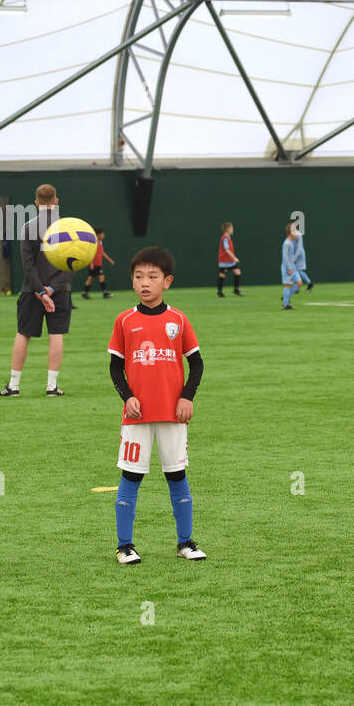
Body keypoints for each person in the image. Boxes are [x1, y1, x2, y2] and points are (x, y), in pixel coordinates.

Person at [109, 247, 206, 565]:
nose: (144, 283)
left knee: (177, 476)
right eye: (138, 277)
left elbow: (197, 364)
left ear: (167, 281)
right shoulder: (125, 320)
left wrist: (186, 397)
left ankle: (185, 542)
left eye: (152, 277)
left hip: (172, 415)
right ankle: (125, 545)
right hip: (137, 417)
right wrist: (128, 397)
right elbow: (115, 367)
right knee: (131, 477)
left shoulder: (178, 319)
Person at [1, 184, 72, 397]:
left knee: (23, 334)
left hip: (31, 291)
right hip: (60, 290)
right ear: (56, 200)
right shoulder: (67, 227)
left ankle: (13, 386)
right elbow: (72, 263)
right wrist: (51, 289)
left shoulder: (28, 227)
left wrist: (40, 291)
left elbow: (28, 264)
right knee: (56, 334)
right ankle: (51, 386)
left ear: (36, 202)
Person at [82, 229, 115, 299]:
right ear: (98, 235)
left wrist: (110, 260)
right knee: (91, 278)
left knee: (100, 277)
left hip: (98, 264)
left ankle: (105, 293)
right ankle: (85, 293)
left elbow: (102, 253)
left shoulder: (100, 242)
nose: (104, 236)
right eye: (103, 234)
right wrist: (91, 263)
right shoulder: (93, 242)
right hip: (94, 264)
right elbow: (90, 253)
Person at [281, 221, 304, 310]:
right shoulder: (287, 243)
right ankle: (285, 304)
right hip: (288, 268)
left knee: (299, 283)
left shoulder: (290, 243)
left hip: (293, 267)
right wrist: (289, 268)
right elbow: (285, 257)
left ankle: (285, 298)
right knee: (288, 285)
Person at [216, 221, 242, 298]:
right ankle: (219, 292)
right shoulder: (225, 238)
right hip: (224, 261)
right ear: (227, 229)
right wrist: (234, 258)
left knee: (237, 272)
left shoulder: (228, 238)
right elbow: (227, 250)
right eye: (231, 228)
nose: (232, 230)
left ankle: (236, 290)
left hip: (230, 261)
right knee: (222, 275)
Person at [292, 219, 313, 293]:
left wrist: (295, 257)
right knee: (295, 271)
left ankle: (309, 283)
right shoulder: (292, 234)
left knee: (298, 271)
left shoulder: (298, 234)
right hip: (295, 254)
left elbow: (299, 248)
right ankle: (297, 287)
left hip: (299, 254)